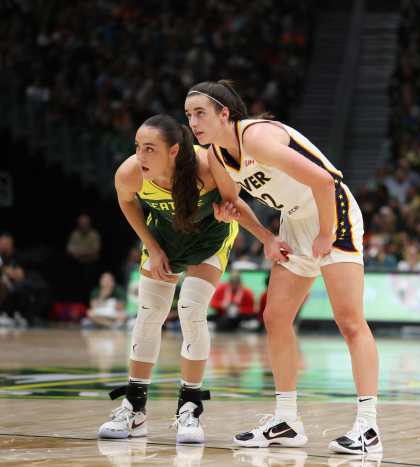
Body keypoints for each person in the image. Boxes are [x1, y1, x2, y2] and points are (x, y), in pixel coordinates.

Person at [185, 79, 382, 454]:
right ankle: (287, 421)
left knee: (350, 321)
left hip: (331, 211)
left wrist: (327, 232)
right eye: (189, 115)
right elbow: (233, 205)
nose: (193, 122)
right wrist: (266, 238)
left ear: (224, 113)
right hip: (293, 220)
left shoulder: (257, 138)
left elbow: (324, 181)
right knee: (275, 316)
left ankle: (368, 427)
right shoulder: (216, 155)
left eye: (200, 113)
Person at [98, 114, 275, 444]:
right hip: (164, 237)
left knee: (192, 308)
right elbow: (126, 202)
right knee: (149, 313)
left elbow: (233, 203)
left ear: (175, 151)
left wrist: (266, 237)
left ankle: (190, 407)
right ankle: (134, 409)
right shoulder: (130, 173)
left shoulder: (208, 165)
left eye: (150, 149)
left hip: (210, 237)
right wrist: (151, 246)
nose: (140, 156)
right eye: (138, 147)